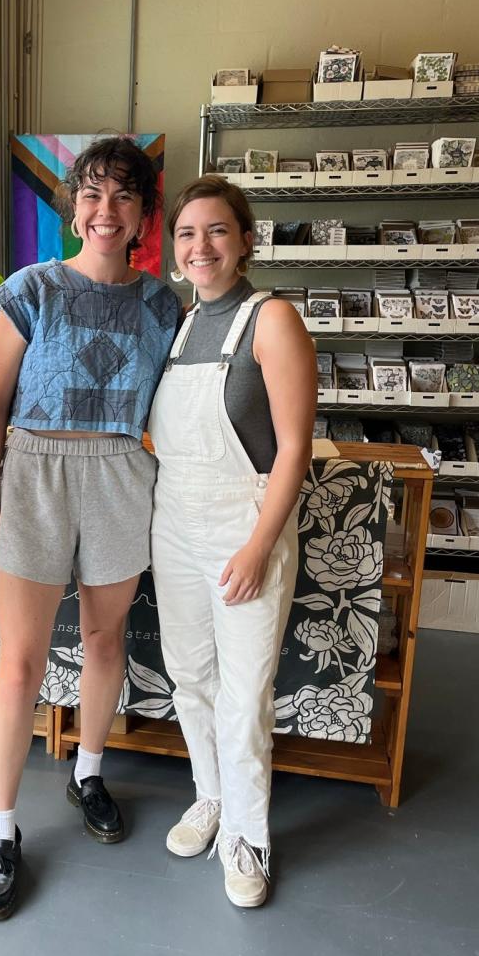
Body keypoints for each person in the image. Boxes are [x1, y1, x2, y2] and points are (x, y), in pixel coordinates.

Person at [0, 135, 181, 920]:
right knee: (19, 664)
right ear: (73, 207)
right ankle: (0, 832)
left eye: (123, 196)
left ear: (141, 215)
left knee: (103, 642)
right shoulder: (31, 290)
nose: (105, 209)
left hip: (122, 472)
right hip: (35, 473)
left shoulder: (164, 304)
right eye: (92, 194)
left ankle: (88, 771)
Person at [148, 175, 315, 908]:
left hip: (243, 524)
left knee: (244, 696)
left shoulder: (271, 319)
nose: (200, 246)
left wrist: (257, 547)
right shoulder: (180, 324)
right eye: (187, 233)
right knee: (190, 677)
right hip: (174, 522)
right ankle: (209, 797)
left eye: (216, 230)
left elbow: (294, 450)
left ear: (246, 240)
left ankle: (249, 837)